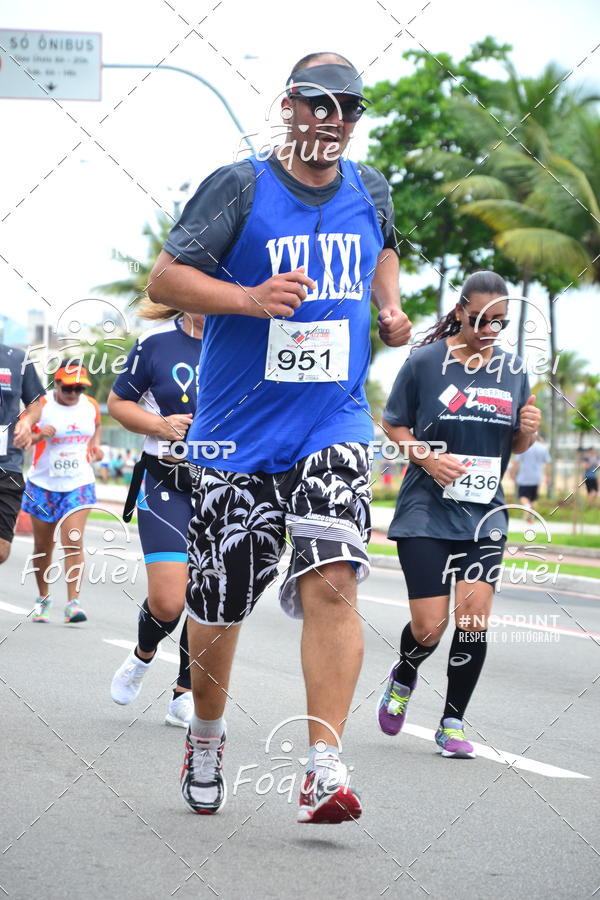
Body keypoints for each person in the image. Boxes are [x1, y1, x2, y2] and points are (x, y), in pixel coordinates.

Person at [147, 52, 411, 821]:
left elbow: (383, 247)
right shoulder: (240, 187)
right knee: (220, 603)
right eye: (317, 103)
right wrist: (248, 297)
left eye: (348, 107)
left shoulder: (371, 187)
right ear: (289, 106)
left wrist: (389, 308)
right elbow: (164, 281)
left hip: (334, 420)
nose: (333, 118)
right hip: (237, 433)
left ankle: (323, 765)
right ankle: (205, 733)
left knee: (335, 575)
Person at [377, 271, 540, 758]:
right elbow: (393, 424)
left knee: (473, 621)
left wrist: (528, 430)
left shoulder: (512, 371)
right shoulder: (426, 362)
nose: (490, 329)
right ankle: (404, 675)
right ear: (460, 311)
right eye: (481, 319)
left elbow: (516, 442)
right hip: (426, 510)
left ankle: (452, 723)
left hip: (484, 512)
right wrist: (426, 456)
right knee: (430, 626)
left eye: (501, 322)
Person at [108, 302, 204, 728]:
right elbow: (118, 403)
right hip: (166, 482)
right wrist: (160, 425)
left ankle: (185, 690)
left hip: (226, 486)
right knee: (169, 600)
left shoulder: (250, 342)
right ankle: (142, 656)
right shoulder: (155, 342)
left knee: (208, 598)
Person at [22, 362, 103, 623]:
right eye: (68, 387)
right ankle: (43, 599)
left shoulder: (89, 404)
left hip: (78, 482)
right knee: (44, 546)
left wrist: (95, 446)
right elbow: (22, 439)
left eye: (79, 388)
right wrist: (38, 436)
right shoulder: (41, 406)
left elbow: (97, 426)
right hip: (43, 484)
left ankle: (73, 604)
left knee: (73, 539)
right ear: (56, 384)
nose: (73, 393)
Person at [0, 343, 45, 564]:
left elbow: (36, 404)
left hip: (8, 464)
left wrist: (27, 421)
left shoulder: (18, 358)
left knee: (2, 550)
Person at [511, 434, 550, 522]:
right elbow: (547, 463)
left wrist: (512, 473)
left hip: (524, 477)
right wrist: (548, 476)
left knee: (522, 495)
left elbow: (516, 462)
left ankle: (527, 506)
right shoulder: (543, 448)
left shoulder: (524, 447)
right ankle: (531, 517)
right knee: (534, 498)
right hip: (537, 477)